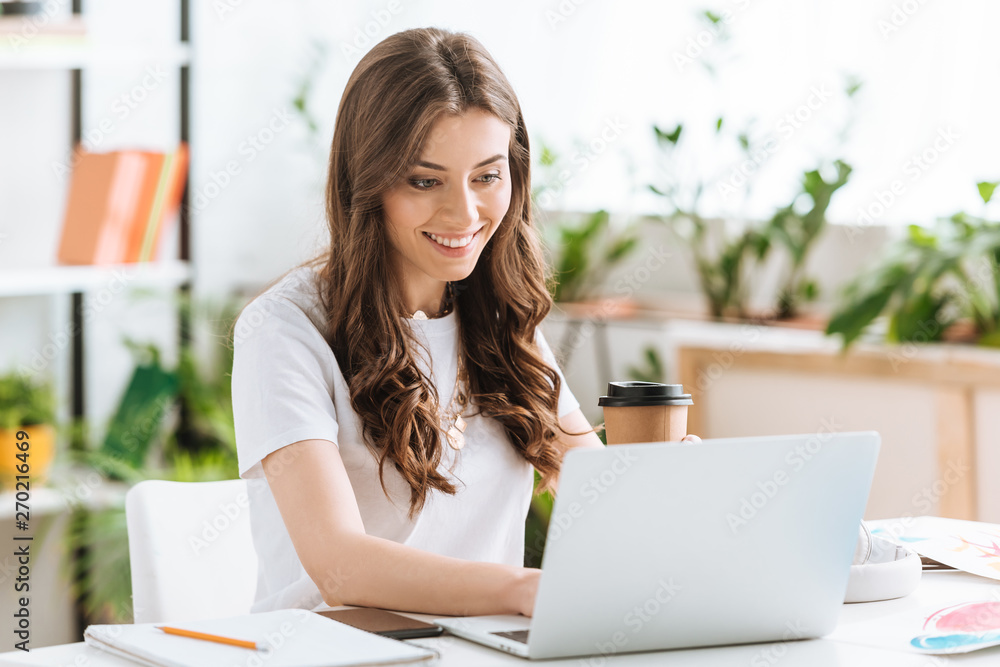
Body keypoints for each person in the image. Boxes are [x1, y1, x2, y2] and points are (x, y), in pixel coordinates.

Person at [230, 26, 694, 619]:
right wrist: (523, 590)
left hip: (479, 649)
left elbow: (593, 486)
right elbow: (340, 566)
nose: (465, 213)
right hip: (335, 651)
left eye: (487, 176)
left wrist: (677, 487)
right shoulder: (285, 330)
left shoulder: (498, 316)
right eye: (425, 181)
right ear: (365, 183)